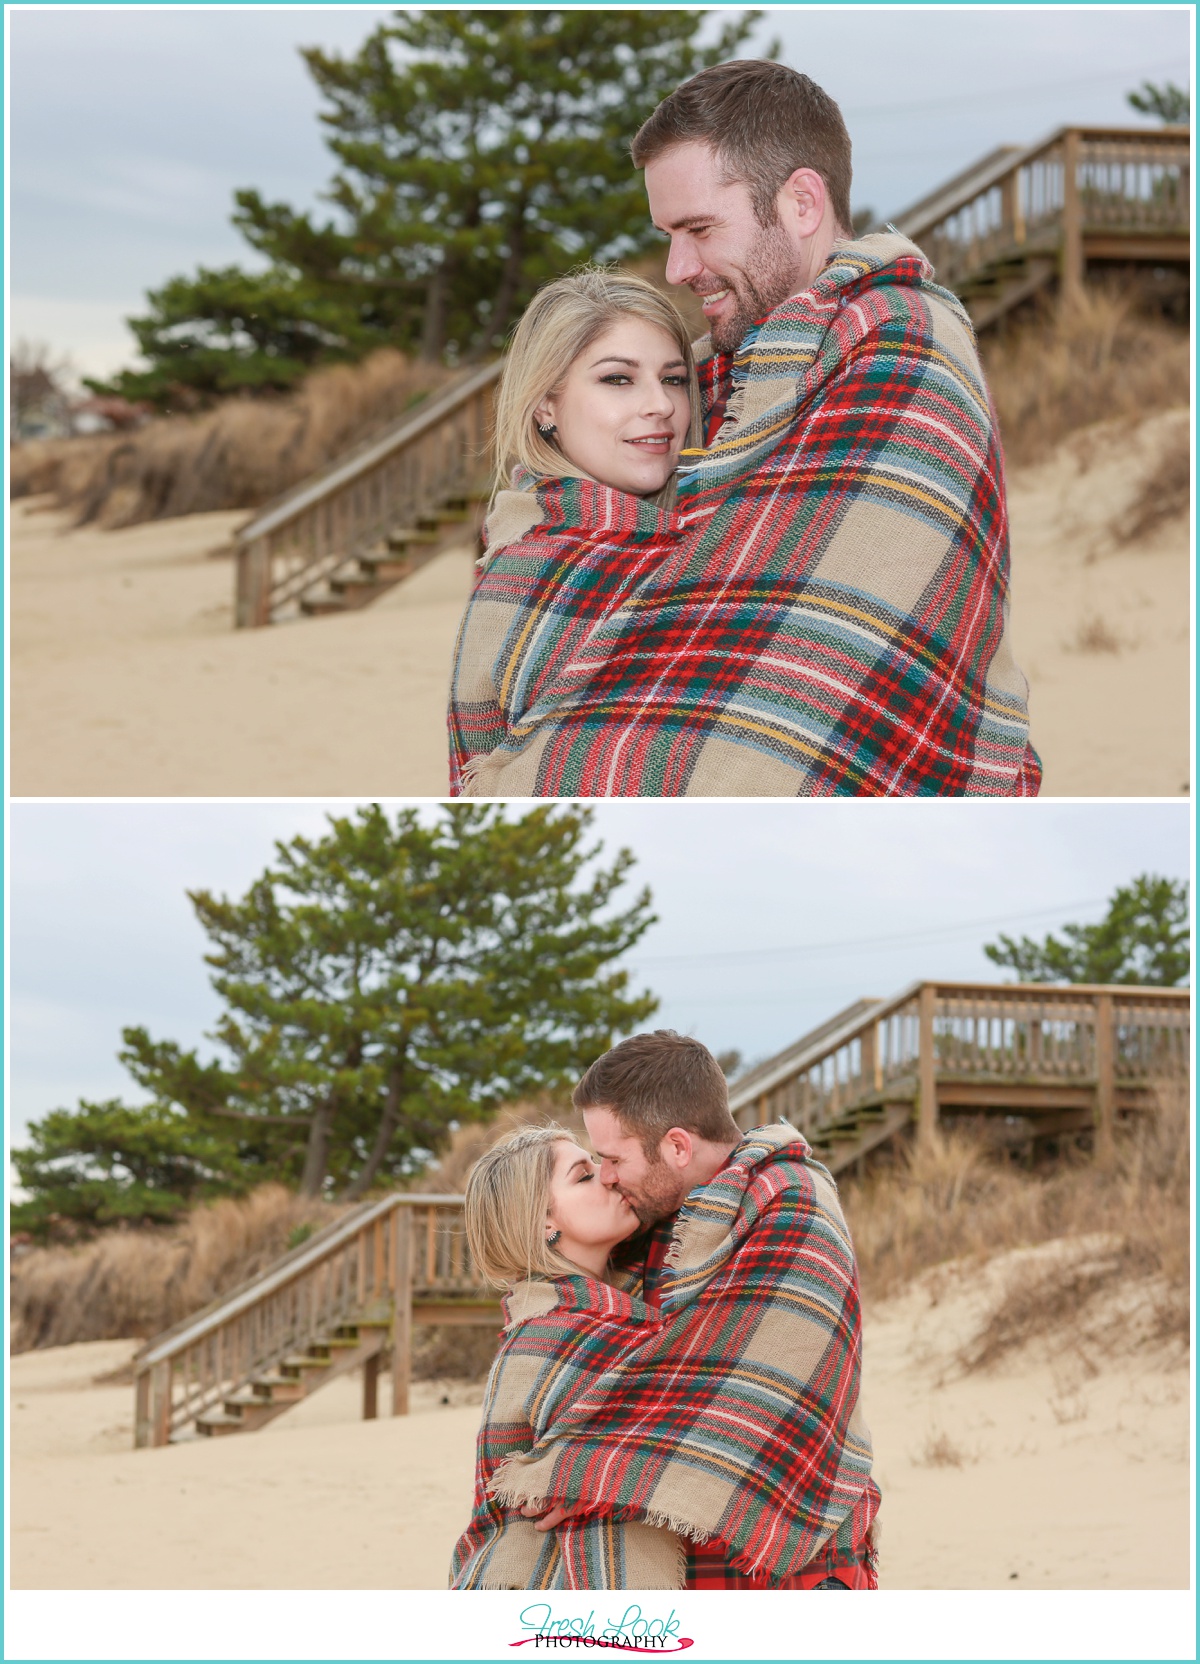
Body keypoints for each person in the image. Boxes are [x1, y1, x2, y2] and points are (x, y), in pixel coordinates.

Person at [448, 60, 1040, 798]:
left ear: (800, 201)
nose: (676, 267)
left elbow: (811, 638)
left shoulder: (898, 345)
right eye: (668, 234)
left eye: (698, 229)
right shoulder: (727, 375)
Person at [450, 1033, 879, 1591]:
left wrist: (582, 1469)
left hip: (795, 1551)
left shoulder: (789, 1206)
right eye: (591, 1167)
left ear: (676, 1147)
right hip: (684, 1569)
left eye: (610, 1159)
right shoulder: (641, 1239)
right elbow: (647, 1378)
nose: (607, 1175)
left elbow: (755, 1382)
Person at [447, 268, 699, 795]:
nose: (661, 405)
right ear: (546, 404)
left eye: (673, 378)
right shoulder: (538, 568)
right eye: (618, 379)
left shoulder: (700, 532)